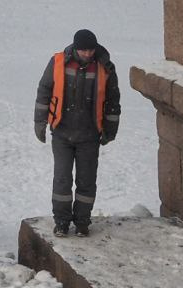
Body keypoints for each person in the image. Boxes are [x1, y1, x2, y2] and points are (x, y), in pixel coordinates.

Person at [34, 29, 121, 237]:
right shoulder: (57, 62)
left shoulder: (105, 67)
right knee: (62, 180)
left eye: (91, 50)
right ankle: (62, 222)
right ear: (75, 48)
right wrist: (39, 122)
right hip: (62, 133)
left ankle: (82, 222)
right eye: (83, 50)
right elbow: (44, 91)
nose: (88, 54)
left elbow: (112, 101)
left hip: (89, 136)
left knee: (86, 180)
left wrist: (110, 130)